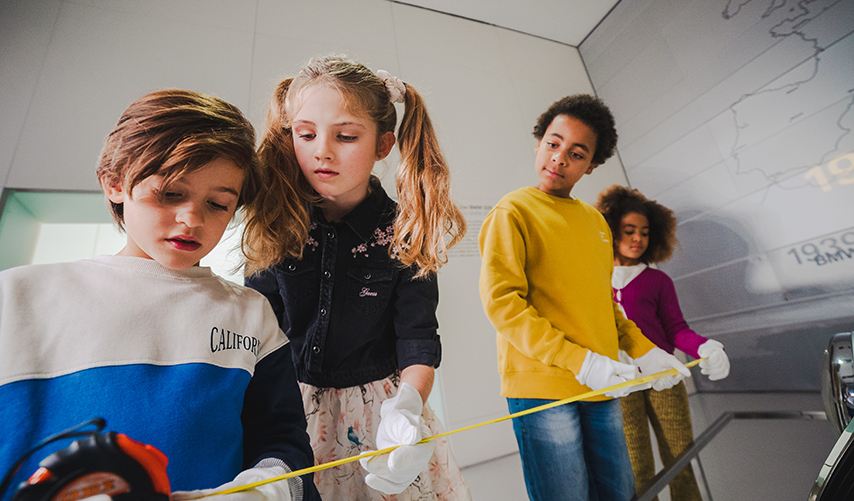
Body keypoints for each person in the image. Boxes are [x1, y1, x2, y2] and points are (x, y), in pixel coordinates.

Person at [0, 89, 319, 501]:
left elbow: (285, 446)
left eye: (218, 204)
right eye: (170, 194)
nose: (192, 219)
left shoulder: (249, 314)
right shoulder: (17, 296)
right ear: (114, 182)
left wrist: (257, 495)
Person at [241, 55, 471, 500]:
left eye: (345, 136)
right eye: (305, 134)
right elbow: (255, 323)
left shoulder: (403, 230)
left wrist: (407, 407)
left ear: (384, 145)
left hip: (378, 415)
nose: (321, 150)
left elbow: (418, 338)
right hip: (289, 405)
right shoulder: (276, 219)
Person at [478, 94, 692, 501]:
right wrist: (582, 361)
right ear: (538, 143)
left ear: (590, 166)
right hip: (543, 388)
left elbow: (604, 303)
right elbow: (503, 304)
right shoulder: (513, 211)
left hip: (602, 384)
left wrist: (645, 350)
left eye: (576, 153)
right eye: (553, 143)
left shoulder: (595, 222)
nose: (559, 158)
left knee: (619, 492)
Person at [596, 185, 730, 501]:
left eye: (644, 232)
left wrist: (702, 346)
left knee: (680, 456)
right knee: (636, 466)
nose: (637, 239)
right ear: (611, 232)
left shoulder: (658, 281)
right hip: (620, 383)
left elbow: (676, 329)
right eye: (629, 231)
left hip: (663, 378)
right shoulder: (595, 280)